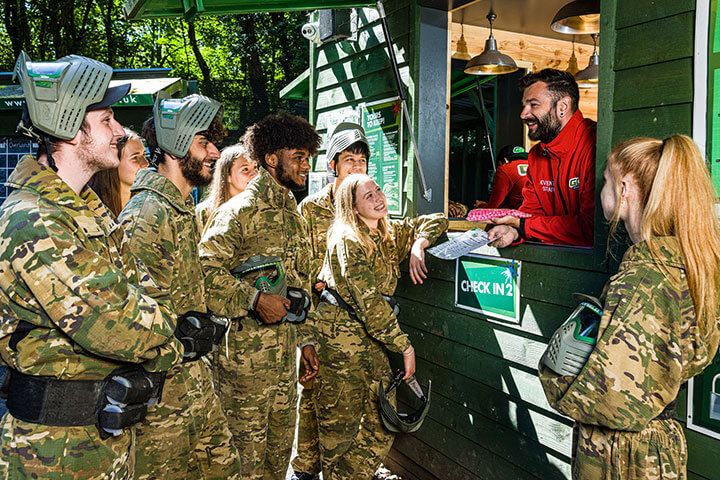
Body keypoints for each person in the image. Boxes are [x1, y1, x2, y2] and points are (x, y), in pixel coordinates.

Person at [0, 53, 181, 479]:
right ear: (67, 126)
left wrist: (154, 321)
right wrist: (167, 335)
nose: (120, 131)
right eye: (107, 120)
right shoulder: (34, 219)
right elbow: (120, 325)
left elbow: (143, 292)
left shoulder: (84, 209)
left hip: (101, 439)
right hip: (54, 453)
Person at [539, 135, 720, 479]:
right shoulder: (686, 262)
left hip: (622, 457)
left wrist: (555, 378)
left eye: (605, 180)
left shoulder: (642, 279)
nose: (599, 189)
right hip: (657, 447)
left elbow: (611, 398)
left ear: (624, 189)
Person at [117, 94, 241, 480]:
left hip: (194, 387)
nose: (215, 152)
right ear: (173, 145)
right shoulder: (147, 215)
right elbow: (133, 324)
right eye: (204, 143)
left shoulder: (180, 210)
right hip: (162, 405)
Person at [199, 112, 322, 480]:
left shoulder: (293, 216)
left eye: (307, 157)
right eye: (298, 156)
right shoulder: (239, 212)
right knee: (243, 464)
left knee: (277, 461)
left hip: (284, 365)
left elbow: (297, 281)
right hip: (242, 371)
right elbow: (204, 272)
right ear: (271, 159)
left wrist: (308, 340)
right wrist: (253, 300)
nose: (305, 165)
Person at [314, 173, 448, 479]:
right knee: (339, 426)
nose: (379, 198)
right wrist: (404, 346)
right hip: (339, 341)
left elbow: (436, 219)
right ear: (352, 205)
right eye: (368, 196)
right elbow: (370, 303)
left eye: (378, 191)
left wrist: (419, 245)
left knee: (382, 421)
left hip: (370, 338)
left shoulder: (387, 232)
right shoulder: (347, 238)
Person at [292, 121, 370, 480]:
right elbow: (301, 274)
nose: (356, 167)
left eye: (361, 160)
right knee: (312, 394)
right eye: (349, 159)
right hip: (320, 319)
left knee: (342, 404)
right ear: (333, 165)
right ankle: (305, 468)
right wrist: (305, 334)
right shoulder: (311, 210)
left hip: (359, 323)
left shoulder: (368, 206)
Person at [488, 68, 596, 247]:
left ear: (562, 107)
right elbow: (530, 214)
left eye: (534, 104)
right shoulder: (536, 155)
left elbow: (592, 229)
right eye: (524, 105)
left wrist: (522, 225)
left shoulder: (595, 144)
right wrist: (513, 232)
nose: (523, 114)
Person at [195, 143, 258, 230]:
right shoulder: (203, 213)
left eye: (255, 167)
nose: (255, 174)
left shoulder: (261, 210)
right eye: (245, 169)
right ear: (227, 175)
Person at [89, 127, 149, 216]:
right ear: (112, 163)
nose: (145, 163)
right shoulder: (91, 210)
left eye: (144, 155)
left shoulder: (148, 206)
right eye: (135, 158)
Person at [476, 145, 529, 210]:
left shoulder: (505, 169)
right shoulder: (538, 166)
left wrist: (481, 206)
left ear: (505, 160)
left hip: (524, 214)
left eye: (499, 164)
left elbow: (493, 207)